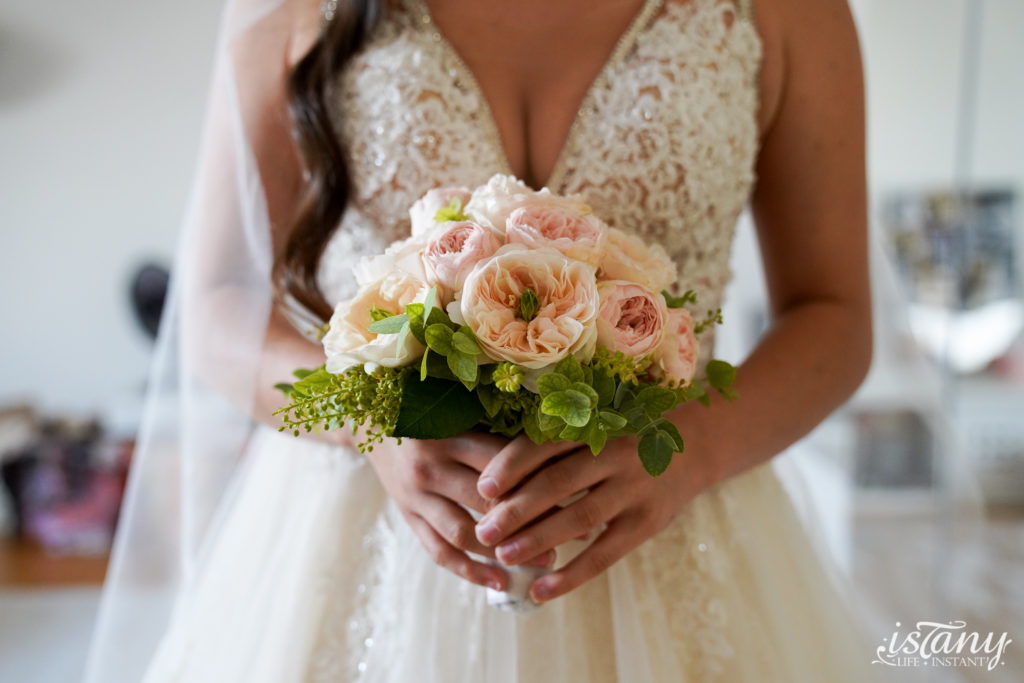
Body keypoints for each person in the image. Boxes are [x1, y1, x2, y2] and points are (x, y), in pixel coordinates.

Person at [84, 0, 885, 680]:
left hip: (677, 526)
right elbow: (216, 304)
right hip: (368, 536)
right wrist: (369, 422)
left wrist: (695, 443)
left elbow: (834, 311)